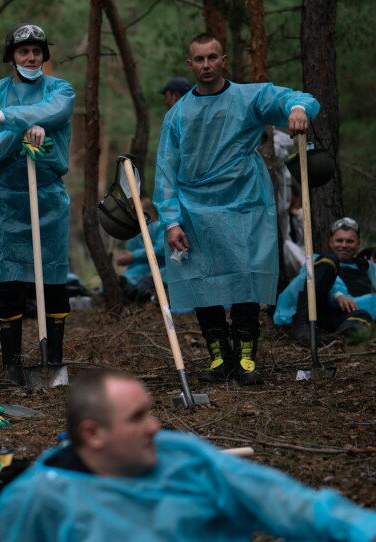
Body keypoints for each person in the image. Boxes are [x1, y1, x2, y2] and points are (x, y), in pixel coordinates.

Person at [0, 368, 376, 542]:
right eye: (136, 418)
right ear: (92, 434)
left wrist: (359, 530)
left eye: (149, 412)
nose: (154, 427)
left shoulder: (182, 457)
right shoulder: (37, 499)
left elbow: (276, 498)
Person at [154, 33, 319, 385]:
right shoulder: (177, 115)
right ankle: (219, 356)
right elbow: (166, 170)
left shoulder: (249, 97)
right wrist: (170, 220)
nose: (206, 65)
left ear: (224, 60)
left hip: (244, 202)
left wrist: (298, 109)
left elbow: (293, 97)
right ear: (190, 64)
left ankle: (245, 357)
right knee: (200, 277)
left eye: (212, 57)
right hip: (194, 208)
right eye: (199, 59)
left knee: (247, 274)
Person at [0, 23, 74, 386]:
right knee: (6, 282)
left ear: (44, 54)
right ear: (11, 56)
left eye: (36, 51)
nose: (31, 57)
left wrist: (3, 119)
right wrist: (20, 133)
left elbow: (55, 111)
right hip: (3, 201)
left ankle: (53, 359)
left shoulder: (61, 89)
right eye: (23, 51)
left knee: (53, 278)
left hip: (47, 197)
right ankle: (13, 365)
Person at [274, 217, 376, 340]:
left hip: (342, 316)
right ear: (331, 242)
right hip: (316, 310)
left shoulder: (368, 267)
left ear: (358, 243)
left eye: (350, 241)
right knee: (329, 261)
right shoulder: (318, 259)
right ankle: (301, 323)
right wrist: (338, 295)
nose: (344, 245)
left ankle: (340, 336)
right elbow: (307, 277)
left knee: (363, 317)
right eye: (339, 240)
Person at [114, 197, 165, 303]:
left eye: (140, 214)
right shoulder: (136, 233)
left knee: (141, 289)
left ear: (151, 212)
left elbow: (160, 250)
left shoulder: (160, 227)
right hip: (134, 274)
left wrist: (133, 256)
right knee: (120, 284)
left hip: (157, 273)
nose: (137, 218)